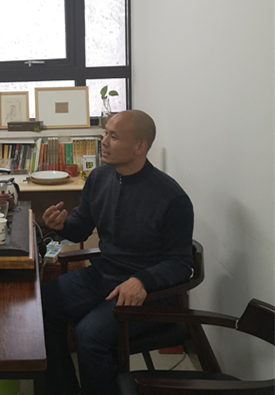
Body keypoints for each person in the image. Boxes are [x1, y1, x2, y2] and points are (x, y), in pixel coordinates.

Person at [41, 110, 194, 395]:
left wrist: (142, 281)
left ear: (139, 147)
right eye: (105, 133)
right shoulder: (100, 178)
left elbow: (181, 263)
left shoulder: (171, 197)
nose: (103, 141)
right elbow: (80, 227)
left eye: (113, 136)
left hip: (148, 294)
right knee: (40, 306)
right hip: (104, 274)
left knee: (89, 336)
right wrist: (61, 225)